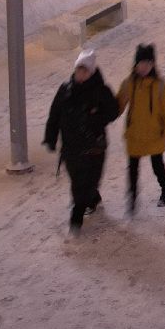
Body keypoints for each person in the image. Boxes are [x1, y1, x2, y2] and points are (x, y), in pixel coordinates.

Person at [43, 49, 122, 230]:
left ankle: (77, 214)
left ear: (91, 72)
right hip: (71, 147)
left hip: (94, 147)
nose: (81, 73)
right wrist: (50, 137)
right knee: (77, 179)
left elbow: (113, 111)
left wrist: (95, 117)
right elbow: (54, 115)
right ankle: (92, 197)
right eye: (79, 69)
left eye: (85, 70)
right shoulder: (65, 90)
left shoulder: (101, 91)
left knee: (87, 180)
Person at [116, 43, 165, 212]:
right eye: (141, 63)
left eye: (148, 64)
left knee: (158, 166)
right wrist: (105, 114)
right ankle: (132, 197)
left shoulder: (159, 85)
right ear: (136, 64)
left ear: (153, 65)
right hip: (134, 134)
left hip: (154, 134)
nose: (144, 67)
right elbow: (118, 104)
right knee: (132, 169)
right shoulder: (129, 84)